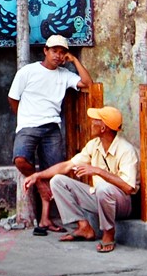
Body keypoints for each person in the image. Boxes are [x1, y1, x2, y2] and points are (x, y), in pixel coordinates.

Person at [8, 34, 93, 234]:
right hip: (28, 125)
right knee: (20, 159)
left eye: (62, 52)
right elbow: (13, 98)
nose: (58, 55)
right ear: (45, 51)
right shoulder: (28, 71)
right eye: (54, 51)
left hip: (52, 127)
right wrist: (23, 118)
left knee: (54, 172)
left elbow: (87, 83)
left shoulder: (64, 75)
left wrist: (75, 60)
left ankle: (45, 219)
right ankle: (39, 184)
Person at [23, 105, 138, 253]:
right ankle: (84, 226)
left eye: (95, 121)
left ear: (103, 128)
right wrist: (37, 175)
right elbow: (67, 166)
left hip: (123, 204)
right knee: (57, 181)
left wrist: (98, 171)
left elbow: (129, 188)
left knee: (104, 188)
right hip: (99, 196)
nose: (90, 123)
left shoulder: (126, 150)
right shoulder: (94, 145)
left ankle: (109, 233)